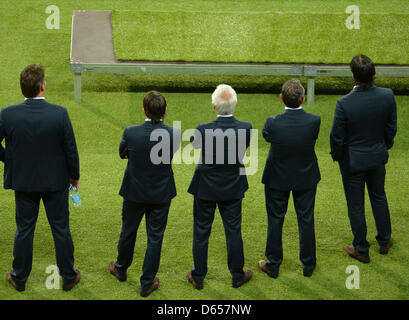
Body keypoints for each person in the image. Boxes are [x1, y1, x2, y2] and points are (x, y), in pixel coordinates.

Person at [0, 64, 80, 291]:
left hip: (24, 182)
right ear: (43, 86)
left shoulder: (8, 114)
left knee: (24, 229)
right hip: (56, 183)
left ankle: (19, 277)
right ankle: (68, 276)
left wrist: (10, 160)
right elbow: (70, 150)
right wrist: (74, 178)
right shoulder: (59, 113)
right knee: (61, 228)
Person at [109, 90, 181, 298]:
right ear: (165, 110)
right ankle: (147, 282)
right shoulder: (174, 134)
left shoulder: (130, 132)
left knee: (128, 230)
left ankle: (121, 268)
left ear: (144, 110)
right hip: (161, 193)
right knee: (155, 238)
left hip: (134, 192)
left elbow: (123, 152)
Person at [330, 54, 397, 263]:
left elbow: (337, 137)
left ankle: (361, 249)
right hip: (377, 157)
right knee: (379, 196)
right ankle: (385, 240)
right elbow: (391, 128)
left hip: (353, 163)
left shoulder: (344, 103)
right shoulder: (387, 96)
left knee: (356, 205)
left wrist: (339, 157)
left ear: (353, 76)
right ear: (373, 73)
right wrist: (382, 147)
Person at [187, 84, 253, 290]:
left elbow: (194, 144)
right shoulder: (245, 128)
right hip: (233, 187)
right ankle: (237, 275)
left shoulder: (202, 128)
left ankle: (198, 276)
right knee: (233, 231)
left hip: (205, 187)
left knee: (201, 232)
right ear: (235, 104)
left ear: (214, 105)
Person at [259, 79, 321, 278]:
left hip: (277, 178)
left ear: (281, 98)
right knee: (306, 219)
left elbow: (268, 136)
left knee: (275, 220)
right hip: (306, 177)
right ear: (303, 99)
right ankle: (308, 265)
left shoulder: (272, 122)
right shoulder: (314, 121)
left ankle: (273, 264)